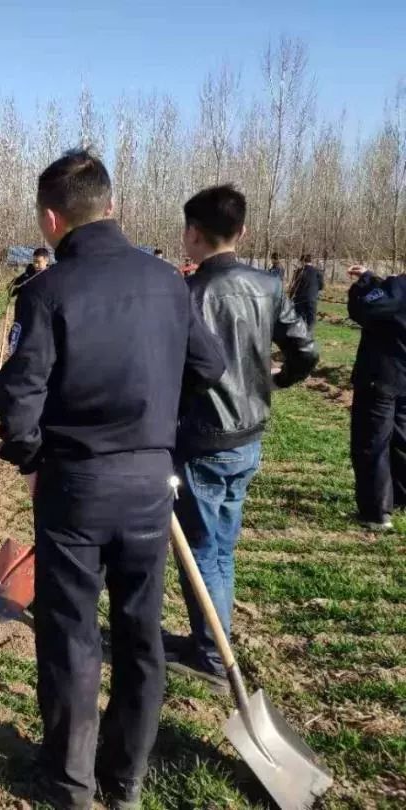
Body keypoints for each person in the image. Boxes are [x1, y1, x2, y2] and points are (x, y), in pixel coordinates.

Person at [0, 150, 225, 810]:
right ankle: (124, 780)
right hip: (151, 483)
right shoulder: (168, 283)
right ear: (112, 206)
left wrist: (33, 457)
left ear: (50, 217)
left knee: (70, 633)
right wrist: (159, 421)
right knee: (139, 633)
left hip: (75, 483)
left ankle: (69, 784)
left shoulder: (45, 293)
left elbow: (18, 402)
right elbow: (208, 367)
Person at [168, 185, 318, 692]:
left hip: (204, 438)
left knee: (204, 548)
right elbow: (306, 349)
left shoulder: (188, 295)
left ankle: (211, 653)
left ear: (192, 234)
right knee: (221, 545)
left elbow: (179, 373)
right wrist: (277, 380)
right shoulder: (269, 286)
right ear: (243, 232)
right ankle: (210, 637)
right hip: (249, 436)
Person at [346, 263, 406, 531]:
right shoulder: (396, 289)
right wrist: (376, 281)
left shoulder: (399, 286)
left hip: (381, 376)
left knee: (373, 441)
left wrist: (365, 283)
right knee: (402, 438)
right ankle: (401, 497)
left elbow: (363, 308)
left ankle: (376, 511)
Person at [290, 253, 323, 330]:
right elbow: (321, 286)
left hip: (299, 300)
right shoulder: (317, 272)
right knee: (311, 321)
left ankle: (299, 336)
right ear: (310, 261)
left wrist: (290, 297)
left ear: (302, 261)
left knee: (299, 320)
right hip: (312, 299)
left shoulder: (298, 272)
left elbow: (294, 286)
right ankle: (309, 336)